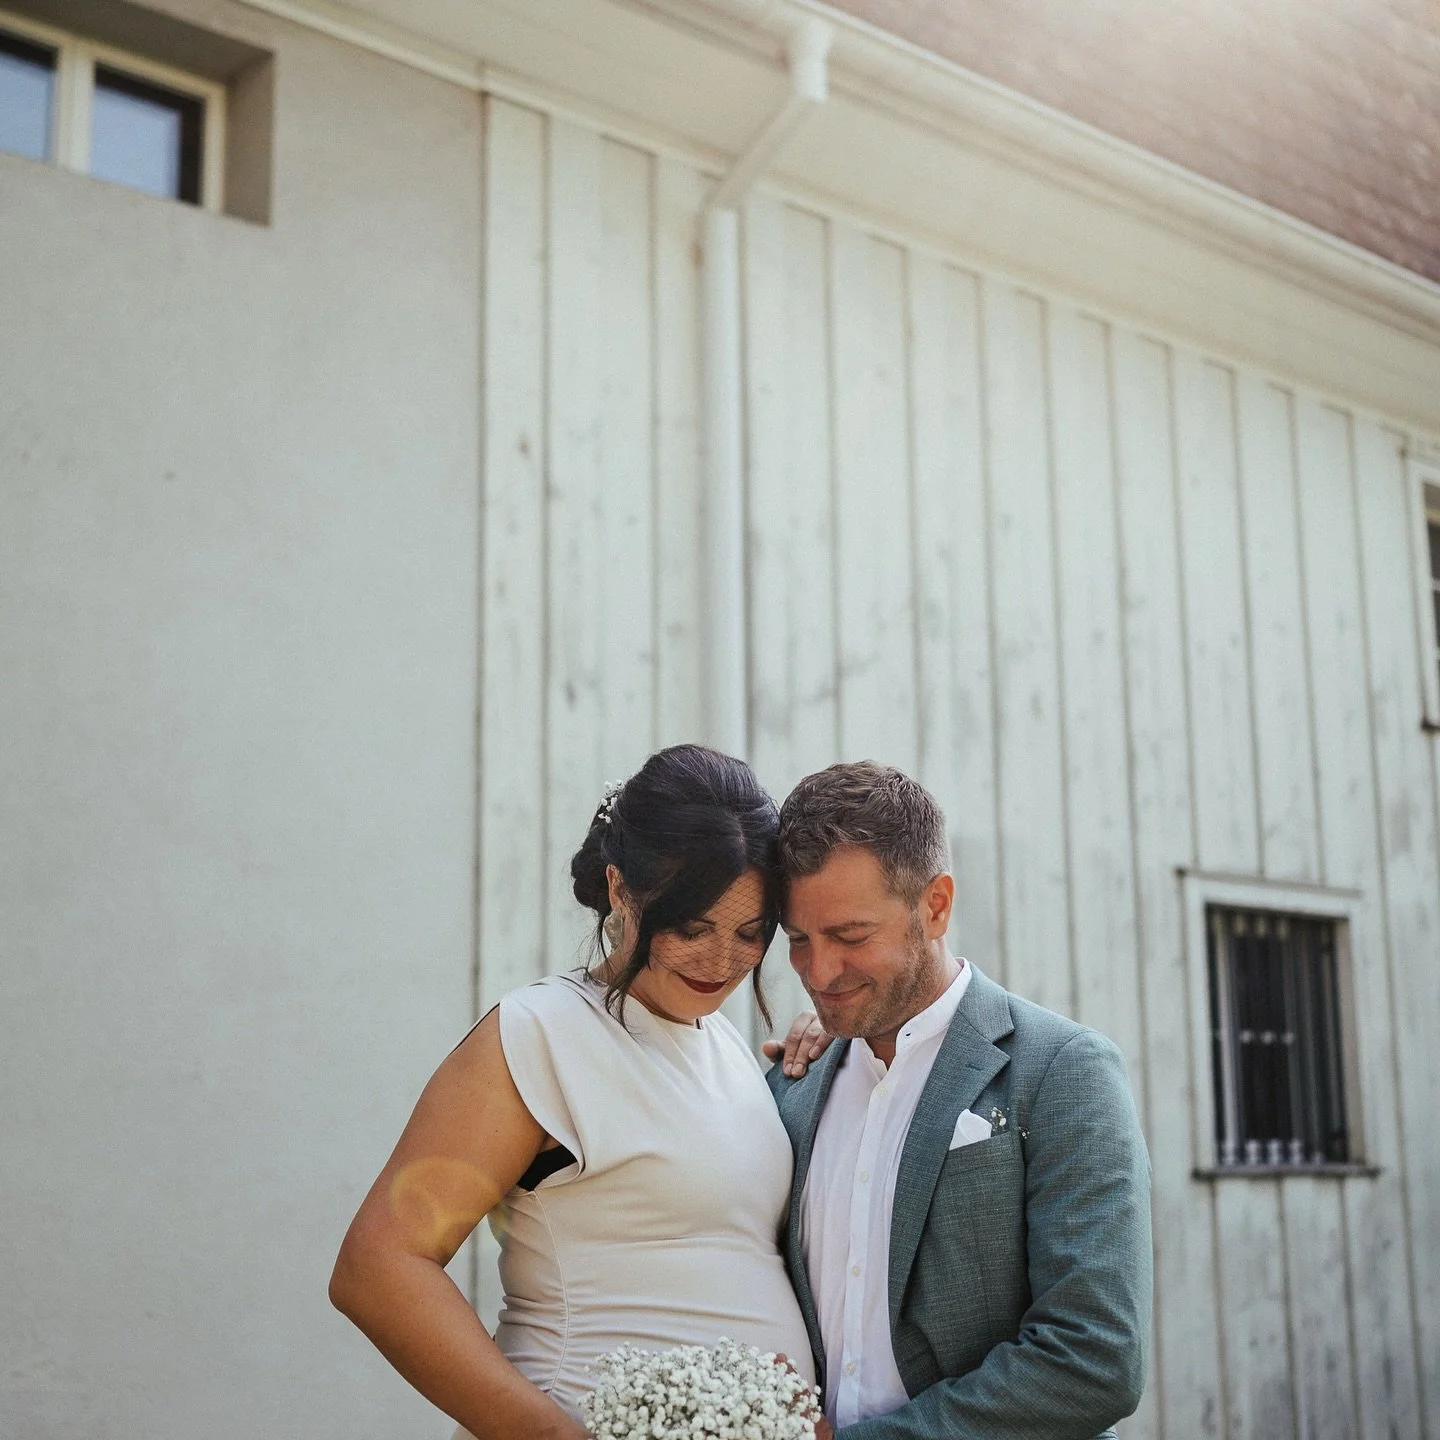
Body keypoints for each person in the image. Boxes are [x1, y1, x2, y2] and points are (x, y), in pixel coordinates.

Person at [329, 744, 824, 1440]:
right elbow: (379, 1267)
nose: (722, 961)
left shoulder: (724, 1045)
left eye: (750, 933)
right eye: (690, 928)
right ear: (620, 889)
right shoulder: (540, 1036)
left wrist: (836, 1050)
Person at [766, 761, 1152, 1440]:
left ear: (936, 905)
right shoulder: (793, 1083)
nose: (818, 973)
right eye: (799, 939)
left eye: (851, 936)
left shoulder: (1063, 1070)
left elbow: (1094, 1359)